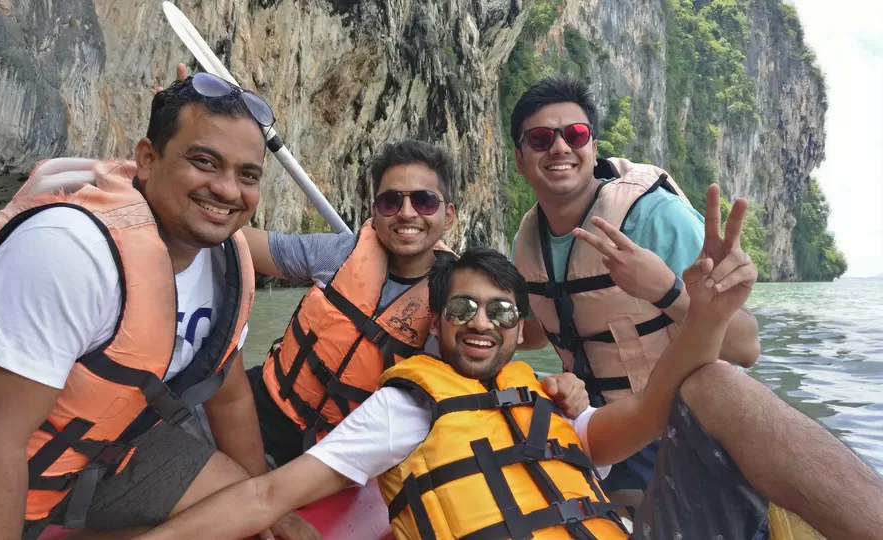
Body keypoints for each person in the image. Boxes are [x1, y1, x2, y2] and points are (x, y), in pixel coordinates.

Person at [129, 189, 883, 540]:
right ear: (437, 326)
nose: (480, 322)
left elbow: (657, 409)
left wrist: (704, 315)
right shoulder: (407, 407)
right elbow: (267, 495)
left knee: (719, 381)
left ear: (520, 329)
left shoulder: (551, 403)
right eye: (461, 309)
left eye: (498, 311)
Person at [0, 73, 318, 539]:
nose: (229, 190)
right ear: (147, 159)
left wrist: (266, 508)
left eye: (247, 175)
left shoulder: (225, 265)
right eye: (204, 162)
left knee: (240, 518)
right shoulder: (71, 251)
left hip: (91, 457)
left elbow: (229, 395)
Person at [508, 73, 763, 505]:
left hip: (685, 426)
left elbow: (746, 348)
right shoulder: (528, 241)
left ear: (592, 147)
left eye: (575, 134)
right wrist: (466, 308)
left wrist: (665, 290)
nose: (560, 147)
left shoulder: (654, 216)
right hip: (601, 428)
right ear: (520, 159)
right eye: (540, 139)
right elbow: (534, 331)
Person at [241, 139, 457, 467]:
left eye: (424, 201)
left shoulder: (454, 300)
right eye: (390, 201)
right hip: (260, 405)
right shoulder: (340, 254)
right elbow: (238, 240)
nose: (406, 213)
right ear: (375, 211)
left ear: (448, 215)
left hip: (334, 458)